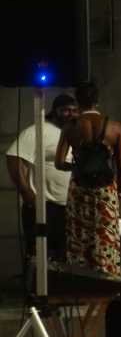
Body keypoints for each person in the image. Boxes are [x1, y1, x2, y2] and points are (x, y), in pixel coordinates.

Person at [54, 81, 121, 277]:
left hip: (79, 189)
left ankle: (80, 282)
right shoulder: (114, 127)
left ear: (78, 102)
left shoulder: (70, 127)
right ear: (97, 100)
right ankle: (106, 281)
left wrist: (78, 167)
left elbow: (59, 163)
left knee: (79, 240)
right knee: (105, 238)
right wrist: (120, 190)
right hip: (106, 190)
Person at [6, 93, 78, 262]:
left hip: (67, 208)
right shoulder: (38, 130)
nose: (71, 114)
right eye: (66, 110)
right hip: (43, 206)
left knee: (63, 258)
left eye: (74, 110)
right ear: (55, 111)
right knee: (39, 258)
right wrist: (26, 192)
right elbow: (13, 157)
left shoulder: (73, 133)